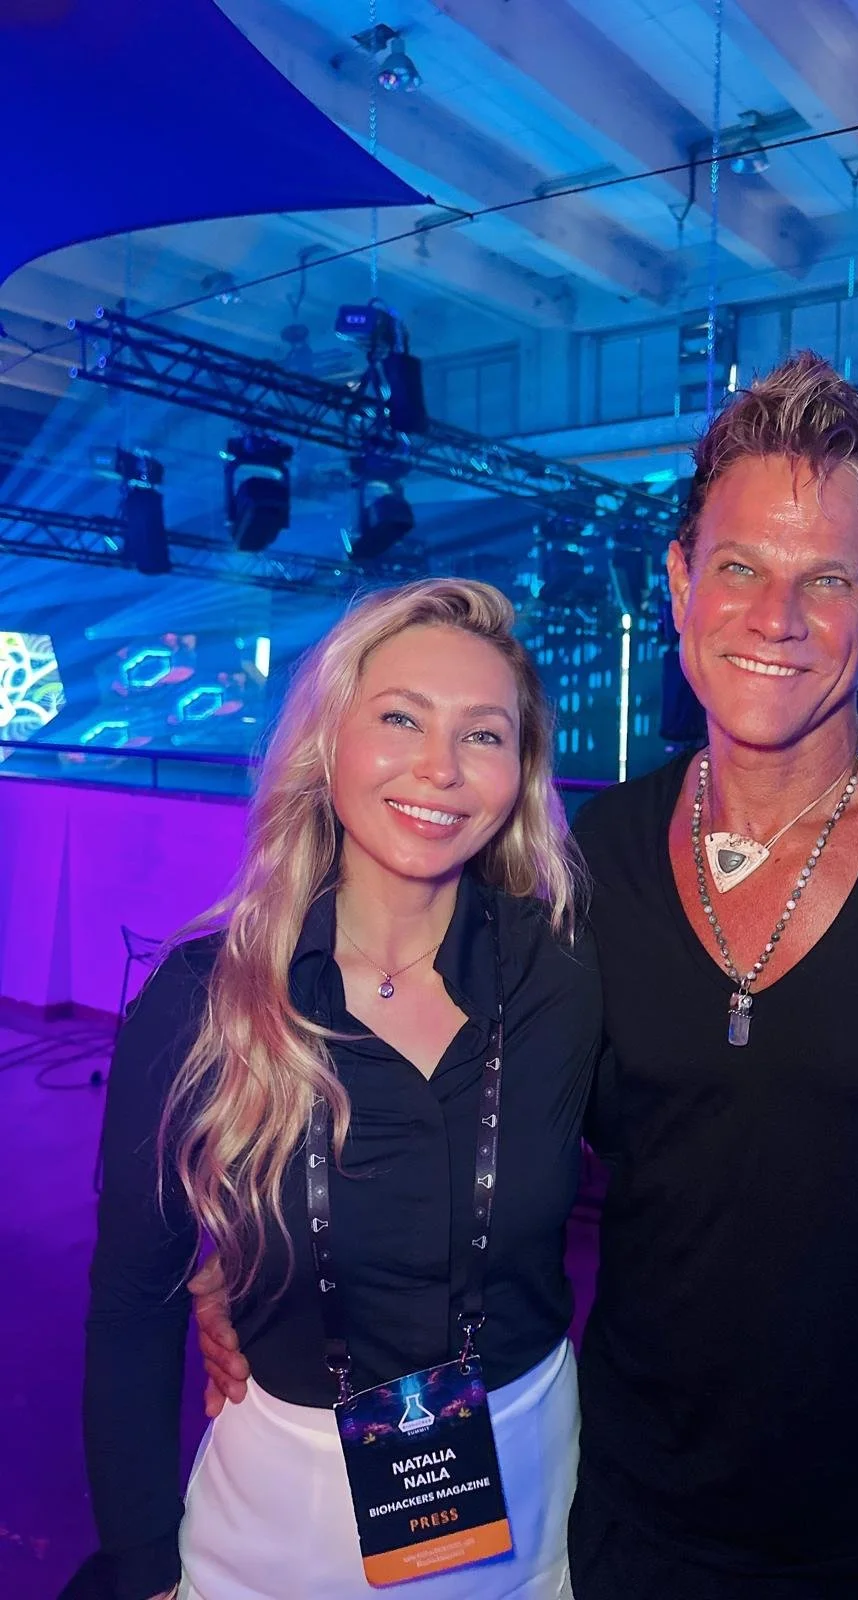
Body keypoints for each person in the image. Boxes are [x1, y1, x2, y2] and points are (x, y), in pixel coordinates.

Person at [197, 354, 858, 1600]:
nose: (776, 618)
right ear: (679, 582)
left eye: (826, 578)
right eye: (739, 567)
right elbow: (426, 1085)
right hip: (622, 1522)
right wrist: (255, 1255)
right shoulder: (586, 861)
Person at [79, 580, 601, 1600]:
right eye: (400, 718)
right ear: (327, 743)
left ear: (521, 772)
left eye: (483, 734)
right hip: (281, 1531)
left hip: (534, 1507)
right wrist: (143, 1570)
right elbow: (131, 1305)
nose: (440, 767)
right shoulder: (203, 1001)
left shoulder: (568, 973)